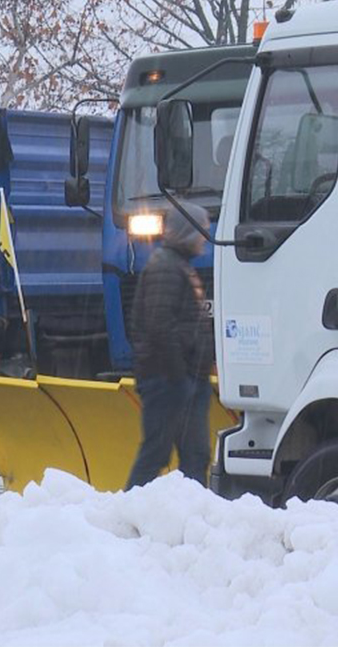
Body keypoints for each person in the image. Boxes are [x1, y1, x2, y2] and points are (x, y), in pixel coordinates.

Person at [125, 202, 214, 490]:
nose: (205, 236)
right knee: (157, 453)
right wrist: (179, 378)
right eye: (202, 230)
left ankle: (192, 515)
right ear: (188, 232)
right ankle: (127, 510)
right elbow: (160, 326)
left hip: (182, 379)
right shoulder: (167, 268)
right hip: (169, 381)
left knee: (194, 455)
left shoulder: (177, 266)